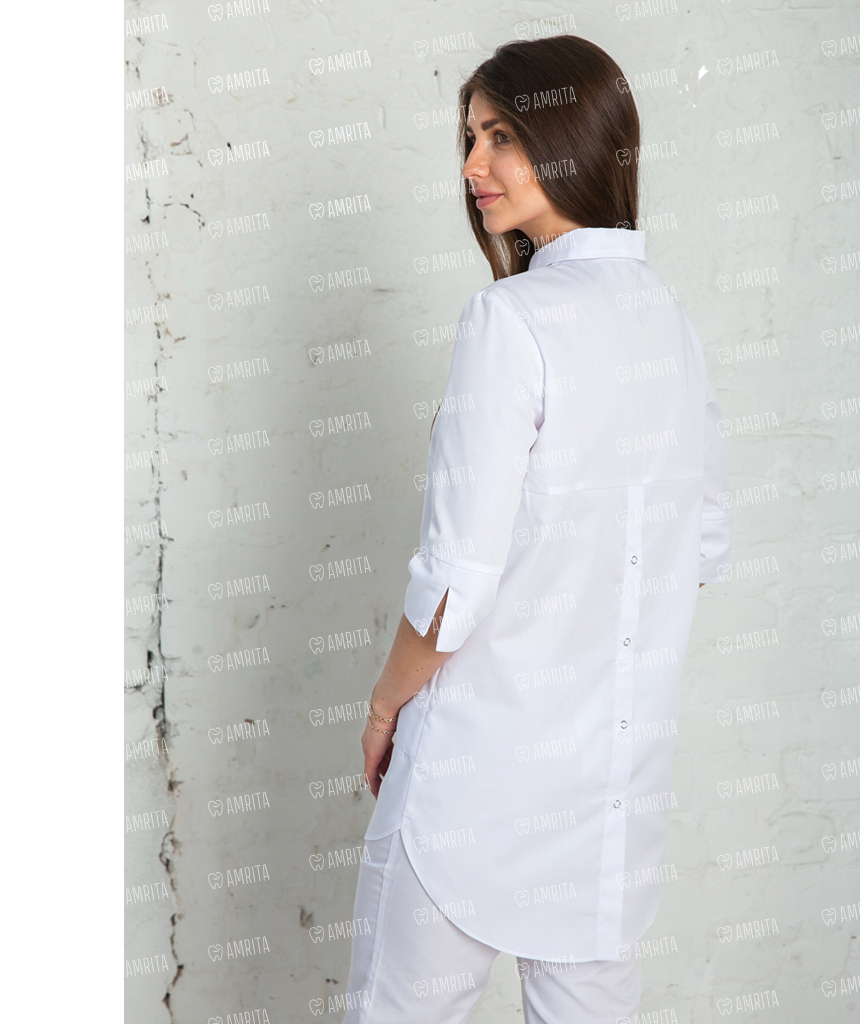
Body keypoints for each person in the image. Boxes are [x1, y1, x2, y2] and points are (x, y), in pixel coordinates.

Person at [342, 34, 731, 1024]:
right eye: (471, 138)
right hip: (606, 802)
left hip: (470, 780)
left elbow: (453, 586)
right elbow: (698, 551)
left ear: (573, 139)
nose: (473, 165)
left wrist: (385, 708)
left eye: (502, 136)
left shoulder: (509, 321)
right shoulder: (672, 325)